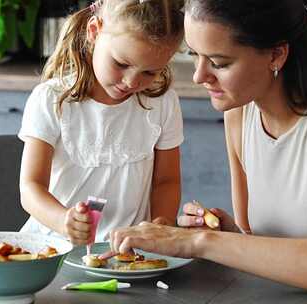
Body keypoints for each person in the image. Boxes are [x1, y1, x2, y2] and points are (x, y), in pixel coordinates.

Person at [105, 0, 307, 296]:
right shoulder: (239, 113)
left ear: (276, 55)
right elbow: (259, 243)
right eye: (194, 55)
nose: (201, 75)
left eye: (218, 62)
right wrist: (226, 235)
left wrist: (200, 241)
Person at [18, 0, 185, 246]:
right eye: (121, 64)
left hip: (126, 254)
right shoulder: (52, 99)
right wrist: (64, 221)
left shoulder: (162, 103)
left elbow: (166, 182)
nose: (131, 81)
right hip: (52, 248)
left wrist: (161, 224)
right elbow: (30, 188)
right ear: (94, 31)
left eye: (150, 72)